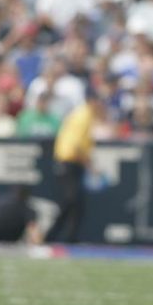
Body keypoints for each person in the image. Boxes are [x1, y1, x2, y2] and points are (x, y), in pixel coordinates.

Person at [45, 88, 103, 243]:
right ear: (92, 101)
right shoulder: (83, 116)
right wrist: (90, 165)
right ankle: (52, 236)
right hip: (68, 162)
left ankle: (69, 237)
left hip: (72, 163)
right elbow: (75, 146)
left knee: (76, 202)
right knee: (71, 200)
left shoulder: (85, 115)